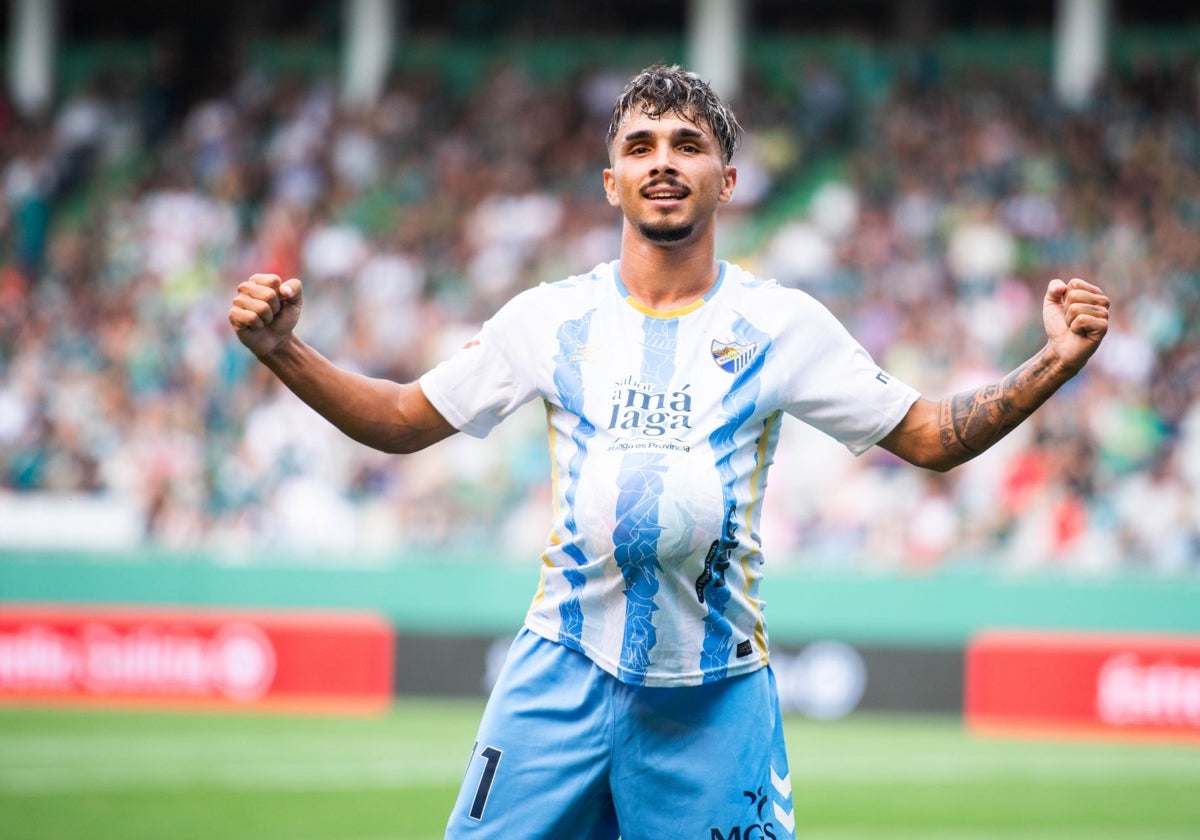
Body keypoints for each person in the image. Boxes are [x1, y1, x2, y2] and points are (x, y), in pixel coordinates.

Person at [228, 64, 1110, 840]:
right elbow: (401, 418)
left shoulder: (782, 325)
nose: (662, 161)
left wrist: (1055, 362)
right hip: (560, 674)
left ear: (725, 181)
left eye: (686, 145)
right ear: (609, 181)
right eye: (641, 144)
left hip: (715, 697)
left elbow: (928, 436)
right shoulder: (549, 318)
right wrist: (284, 352)